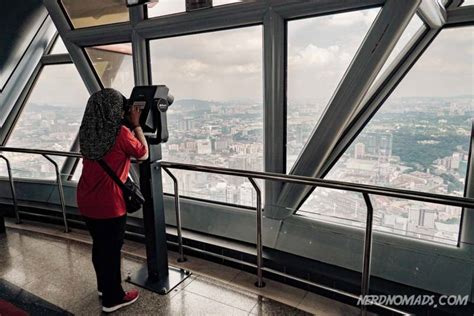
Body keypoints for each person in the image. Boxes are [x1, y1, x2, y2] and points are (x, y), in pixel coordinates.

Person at [76, 88, 148, 313]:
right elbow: (143, 153)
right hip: (110, 203)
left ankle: (103, 287)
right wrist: (135, 124)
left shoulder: (87, 131)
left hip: (86, 199)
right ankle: (113, 298)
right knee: (111, 250)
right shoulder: (120, 133)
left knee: (100, 246)